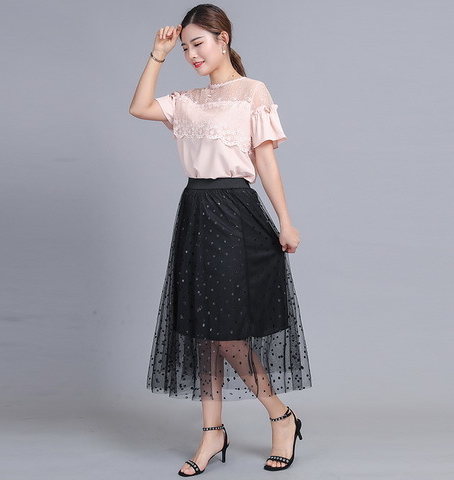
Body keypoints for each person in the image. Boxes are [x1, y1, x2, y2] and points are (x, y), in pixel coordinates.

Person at [129, 3, 312, 476]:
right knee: (204, 326)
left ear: (223, 39)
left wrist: (286, 221)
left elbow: (266, 160)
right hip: (195, 211)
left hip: (236, 213)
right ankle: (212, 432)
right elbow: (139, 107)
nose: (192, 54)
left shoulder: (252, 91)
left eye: (198, 43)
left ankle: (280, 415)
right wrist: (157, 54)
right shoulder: (186, 100)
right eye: (185, 48)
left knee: (226, 330)